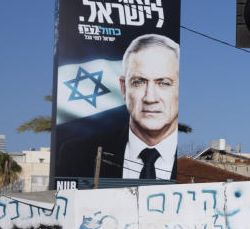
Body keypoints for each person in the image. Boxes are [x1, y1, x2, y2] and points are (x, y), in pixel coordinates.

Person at [56, 33, 181, 180]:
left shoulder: (195, 161)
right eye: (139, 82)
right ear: (123, 88)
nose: (150, 98)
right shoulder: (77, 155)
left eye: (164, 83)